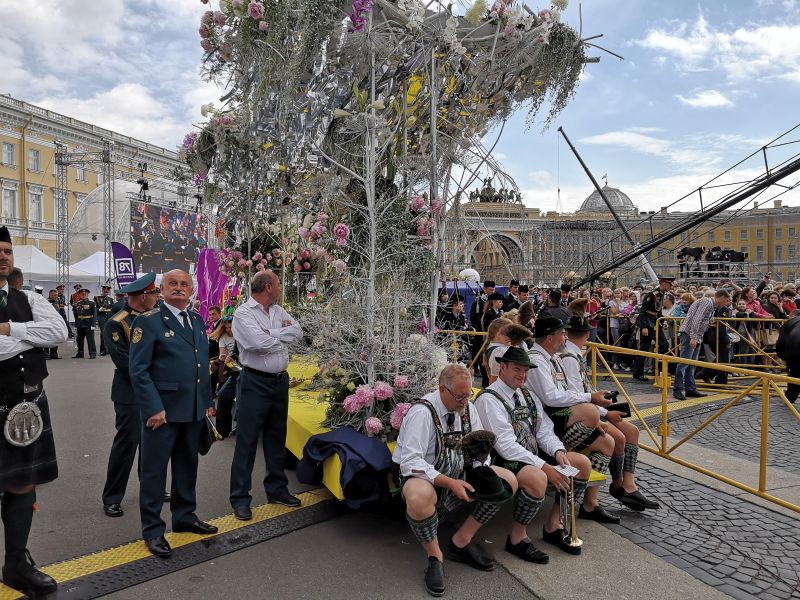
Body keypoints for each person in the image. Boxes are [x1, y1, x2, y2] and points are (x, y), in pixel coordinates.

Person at [392, 363, 516, 596]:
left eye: (468, 395)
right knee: (419, 497)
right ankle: (435, 556)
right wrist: (449, 482)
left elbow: (479, 447)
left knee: (507, 481)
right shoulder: (422, 413)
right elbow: (410, 462)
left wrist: (481, 469)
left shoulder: (467, 407)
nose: (465, 402)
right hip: (425, 476)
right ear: (442, 389)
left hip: (459, 470)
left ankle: (461, 541)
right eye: (460, 396)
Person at [129, 269, 218, 558]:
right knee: (154, 472)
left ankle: (184, 516)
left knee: (187, 466)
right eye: (172, 283)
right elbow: (138, 371)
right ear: (162, 289)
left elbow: (200, 365)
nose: (179, 288)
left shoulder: (196, 320)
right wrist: (153, 408)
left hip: (191, 409)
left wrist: (205, 401)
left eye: (184, 284)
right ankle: (153, 530)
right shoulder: (148, 321)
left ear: (191, 290)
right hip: (162, 413)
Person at [475, 346, 593, 561]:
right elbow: (506, 447)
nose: (522, 375)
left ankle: (554, 525)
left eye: (525, 370)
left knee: (581, 464)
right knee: (537, 477)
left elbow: (544, 430)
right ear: (502, 367)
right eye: (517, 369)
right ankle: (517, 538)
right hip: (503, 461)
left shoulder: (528, 395)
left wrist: (557, 451)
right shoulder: (488, 399)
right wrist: (545, 466)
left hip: (530, 454)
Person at [0, 225, 68, 597]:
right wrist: (29, 336)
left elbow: (59, 332)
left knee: (22, 483)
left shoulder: (27, 297)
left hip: (26, 407)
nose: (3, 256)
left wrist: (10, 328)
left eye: (7, 250)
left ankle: (16, 566)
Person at [559, 316, 659, 511]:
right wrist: (605, 410)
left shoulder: (574, 354)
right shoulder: (570, 358)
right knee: (618, 438)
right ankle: (618, 485)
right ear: (587, 335)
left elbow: (583, 390)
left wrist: (602, 399)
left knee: (632, 432)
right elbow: (577, 396)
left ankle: (628, 483)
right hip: (581, 412)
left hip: (588, 407)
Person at [525, 316, 619, 523]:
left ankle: (590, 504)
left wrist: (591, 405)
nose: (565, 338)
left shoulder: (554, 357)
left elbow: (566, 391)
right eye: (562, 334)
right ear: (550, 338)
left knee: (608, 442)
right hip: (546, 418)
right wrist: (590, 399)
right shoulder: (536, 359)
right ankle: (563, 452)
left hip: (560, 414)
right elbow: (551, 398)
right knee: (591, 413)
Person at [230, 270, 303, 520]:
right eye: (279, 284)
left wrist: (269, 332)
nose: (281, 288)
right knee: (247, 441)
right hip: (255, 382)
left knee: (276, 438)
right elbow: (255, 344)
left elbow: (298, 333)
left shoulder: (278, 311)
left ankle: (277, 489)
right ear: (269, 286)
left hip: (279, 382)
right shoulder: (243, 313)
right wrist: (280, 335)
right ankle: (240, 498)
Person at [100, 273, 159, 518]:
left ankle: (151, 489)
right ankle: (112, 497)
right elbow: (125, 363)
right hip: (130, 392)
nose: (157, 297)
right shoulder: (117, 323)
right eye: (154, 293)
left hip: (155, 389)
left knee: (152, 444)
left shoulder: (153, 318)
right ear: (143, 296)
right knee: (126, 445)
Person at [673, 290, 730, 400]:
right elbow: (697, 320)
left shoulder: (711, 305)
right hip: (691, 334)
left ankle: (690, 389)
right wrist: (694, 337)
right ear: (721, 297)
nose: (726, 303)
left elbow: (700, 319)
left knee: (692, 363)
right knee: (684, 362)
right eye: (726, 300)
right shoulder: (707, 302)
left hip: (695, 335)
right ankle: (678, 389)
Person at [632, 277, 674, 381]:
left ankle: (658, 369)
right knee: (644, 348)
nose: (671, 286)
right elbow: (643, 312)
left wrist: (662, 322)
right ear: (663, 284)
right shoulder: (652, 294)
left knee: (664, 345)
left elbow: (657, 311)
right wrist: (644, 327)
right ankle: (637, 373)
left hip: (655, 323)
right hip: (648, 323)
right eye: (669, 284)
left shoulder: (661, 294)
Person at [210, 313, 239, 438]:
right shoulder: (224, 337)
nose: (228, 330)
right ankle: (222, 430)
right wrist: (228, 357)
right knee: (223, 395)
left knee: (241, 400)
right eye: (226, 328)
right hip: (234, 371)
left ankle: (240, 428)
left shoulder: (243, 335)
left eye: (230, 327)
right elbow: (227, 354)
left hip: (246, 372)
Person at [776, 312, 800, 403]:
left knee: (795, 374)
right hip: (795, 351)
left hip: (794, 354)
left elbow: (780, 343)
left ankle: (790, 398)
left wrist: (783, 357)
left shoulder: (790, 322)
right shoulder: (792, 323)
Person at [73, 288, 97, 359]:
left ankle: (92, 353)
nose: (83, 296)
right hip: (80, 324)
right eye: (82, 294)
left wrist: (93, 324)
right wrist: (76, 323)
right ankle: (80, 353)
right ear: (80, 295)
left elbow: (94, 314)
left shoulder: (92, 303)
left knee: (90, 340)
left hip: (88, 324)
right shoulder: (78, 303)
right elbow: (76, 314)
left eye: (85, 294)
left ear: (87, 295)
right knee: (79, 340)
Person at [94, 285, 115, 356]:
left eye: (107, 291)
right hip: (102, 318)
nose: (106, 292)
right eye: (105, 291)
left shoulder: (110, 299)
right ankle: (102, 350)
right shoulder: (97, 298)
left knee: (108, 333)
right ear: (102, 290)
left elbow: (112, 308)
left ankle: (107, 349)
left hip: (109, 318)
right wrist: (99, 310)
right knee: (103, 333)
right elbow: (94, 309)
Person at [45, 289, 62, 360]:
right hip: (48, 322)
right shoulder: (45, 301)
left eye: (56, 295)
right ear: (50, 295)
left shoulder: (57, 301)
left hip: (56, 322)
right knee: (47, 338)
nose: (56, 296)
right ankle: (46, 354)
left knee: (55, 337)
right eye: (54, 295)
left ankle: (54, 354)